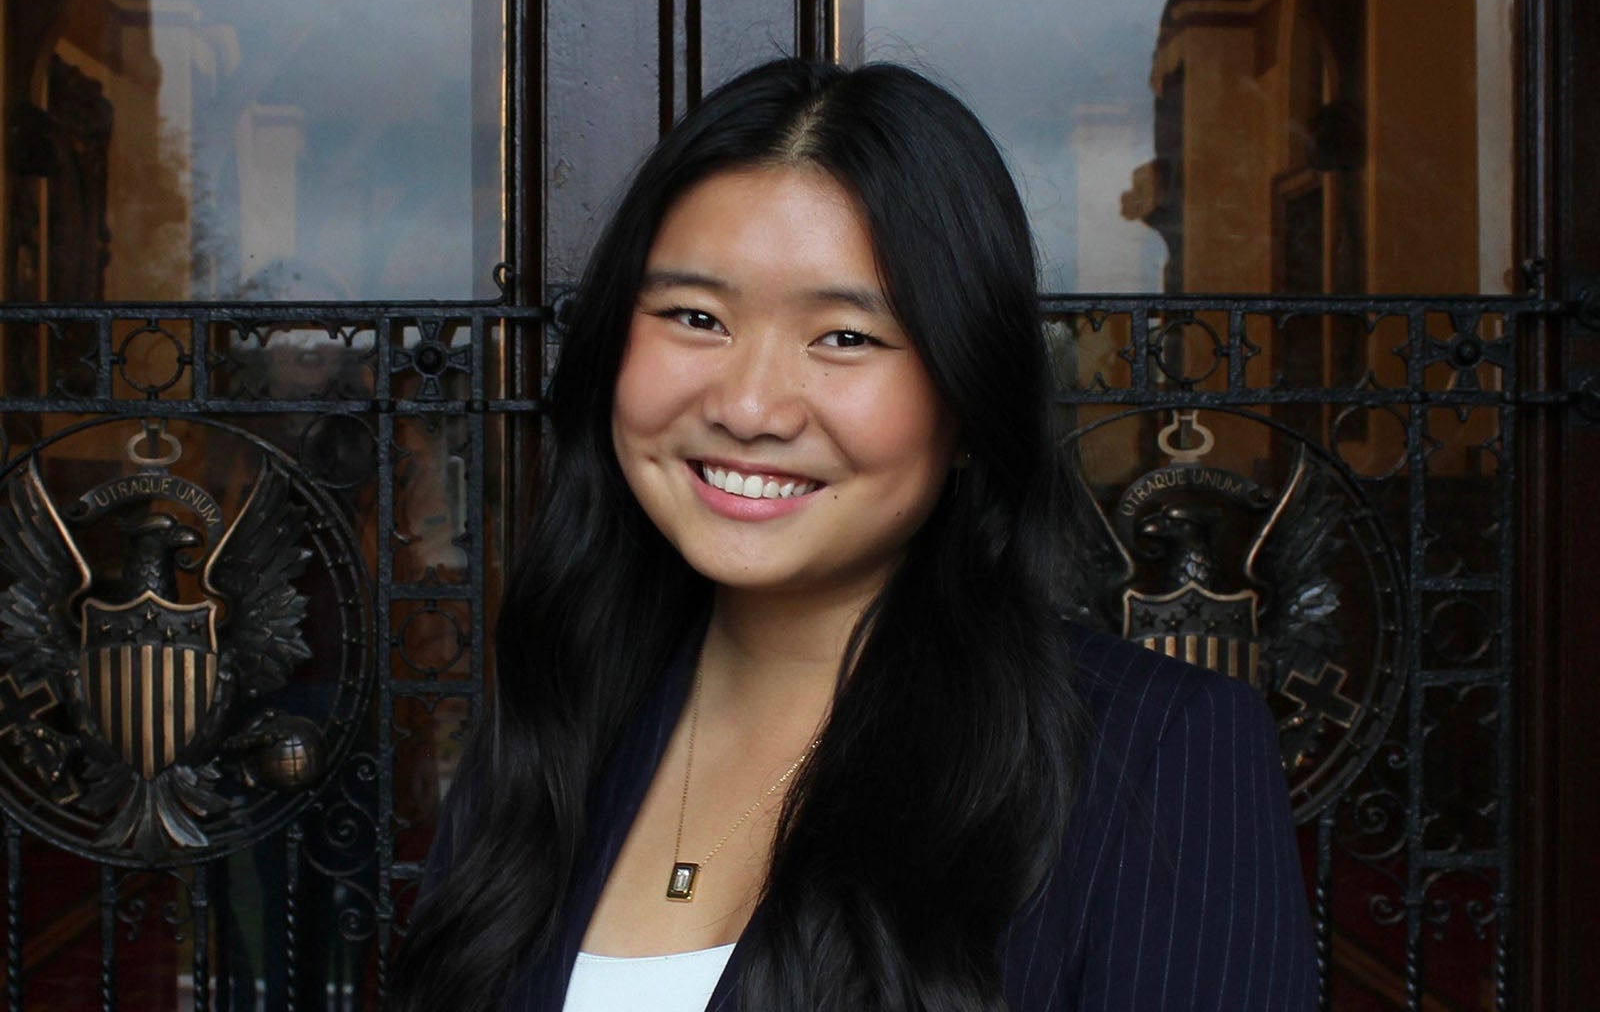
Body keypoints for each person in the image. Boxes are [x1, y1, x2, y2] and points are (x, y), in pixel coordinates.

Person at [392, 59, 1317, 1011]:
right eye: (694, 316)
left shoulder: (1157, 758)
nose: (749, 406)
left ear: (965, 398)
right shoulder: (560, 714)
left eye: (844, 337)